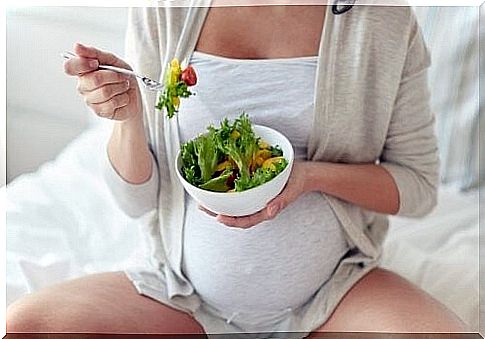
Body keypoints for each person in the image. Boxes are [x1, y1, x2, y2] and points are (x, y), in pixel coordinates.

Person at [7, 2, 468, 337]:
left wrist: (307, 177)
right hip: (182, 296)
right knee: (26, 326)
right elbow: (135, 201)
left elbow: (419, 186)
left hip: (333, 295)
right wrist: (128, 118)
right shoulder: (166, 11)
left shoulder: (383, 21)